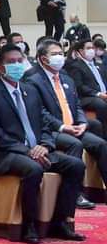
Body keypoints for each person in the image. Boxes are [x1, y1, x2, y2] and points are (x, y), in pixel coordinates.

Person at [0, 43, 86, 244]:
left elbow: (44, 124)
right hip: (7, 154)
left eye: (20, 61)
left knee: (76, 165)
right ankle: (29, 225)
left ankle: (61, 221)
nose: (17, 65)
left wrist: (45, 145)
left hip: (38, 150)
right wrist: (27, 151)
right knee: (33, 168)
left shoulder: (30, 90)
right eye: (11, 62)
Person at [25, 39, 107, 209]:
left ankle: (99, 190)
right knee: (74, 144)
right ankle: (75, 194)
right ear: (43, 59)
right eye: (54, 54)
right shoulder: (33, 80)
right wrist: (62, 127)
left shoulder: (66, 78)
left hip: (73, 126)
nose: (60, 57)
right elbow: (39, 112)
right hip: (51, 130)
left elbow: (76, 105)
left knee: (100, 144)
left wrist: (82, 122)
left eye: (61, 53)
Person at [64, 39, 107, 133]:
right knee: (101, 104)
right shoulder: (76, 66)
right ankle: (104, 133)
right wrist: (98, 94)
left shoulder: (98, 65)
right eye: (88, 48)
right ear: (81, 51)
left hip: (102, 94)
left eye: (93, 48)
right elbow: (80, 87)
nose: (91, 50)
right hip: (86, 97)